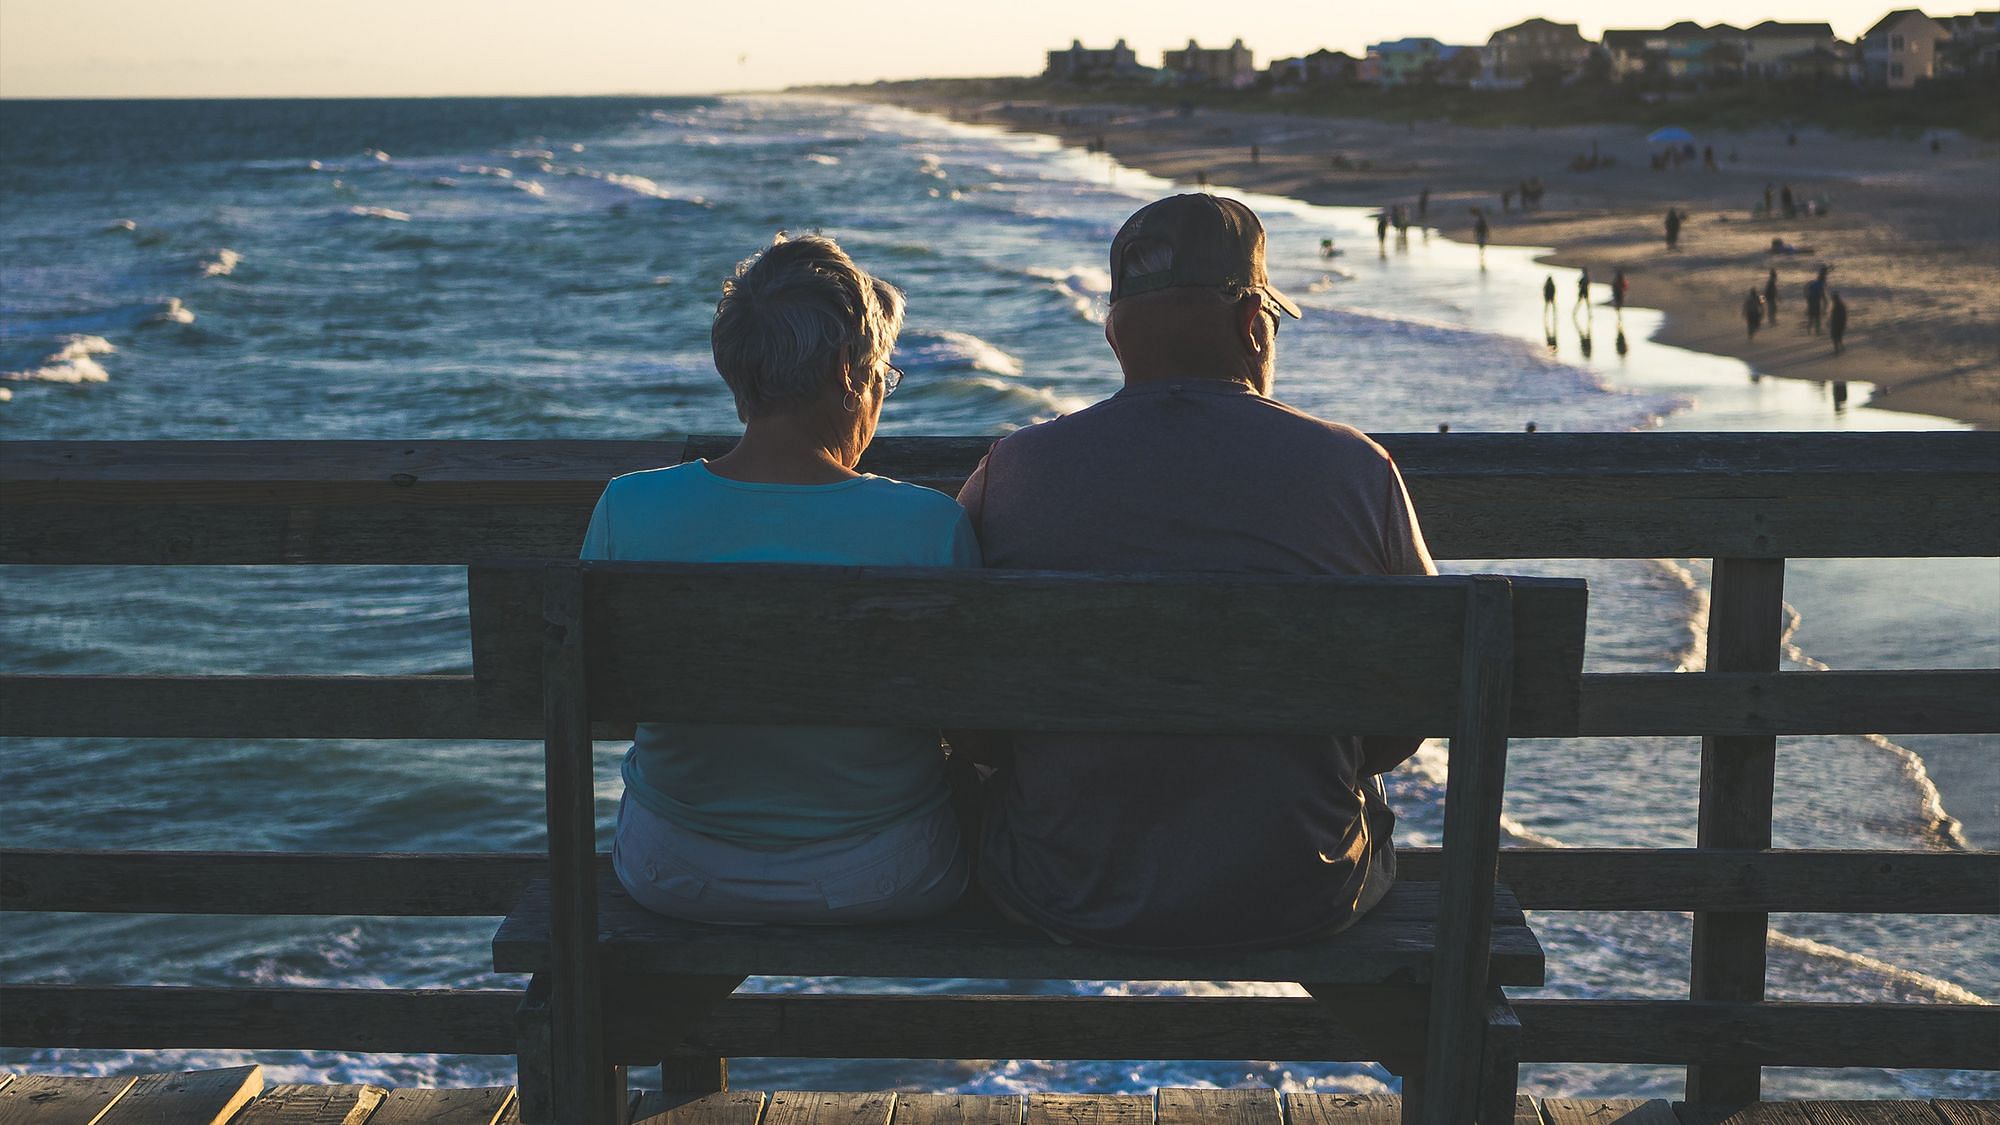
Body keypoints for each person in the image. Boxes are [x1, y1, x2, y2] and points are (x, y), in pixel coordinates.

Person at [959, 194, 1435, 950]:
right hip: (1302, 890)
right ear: (1253, 325)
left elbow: (961, 700)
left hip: (1066, 887)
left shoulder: (1010, 473)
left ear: (1116, 337)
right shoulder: (1357, 469)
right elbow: (1425, 686)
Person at [583, 234, 978, 926]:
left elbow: (603, 701)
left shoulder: (627, 507)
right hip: (884, 874)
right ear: (845, 371)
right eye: (883, 375)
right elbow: (976, 725)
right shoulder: (928, 525)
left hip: (672, 869)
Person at [1805, 265, 1829, 334]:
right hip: (1815, 301)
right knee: (1817, 317)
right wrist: (1825, 301)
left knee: (1811, 316)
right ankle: (1817, 331)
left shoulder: (1815, 282)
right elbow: (1821, 293)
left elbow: (1808, 289)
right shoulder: (1820, 284)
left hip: (1811, 300)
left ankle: (1809, 331)